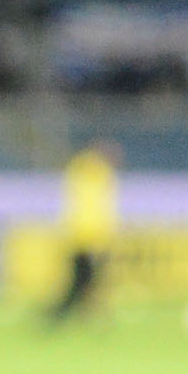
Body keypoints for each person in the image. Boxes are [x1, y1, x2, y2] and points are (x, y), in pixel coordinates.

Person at [45, 138, 118, 328]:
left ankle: (77, 316)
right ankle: (63, 315)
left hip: (86, 237)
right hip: (86, 238)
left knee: (83, 282)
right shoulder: (93, 172)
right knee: (83, 282)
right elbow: (93, 210)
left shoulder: (85, 171)